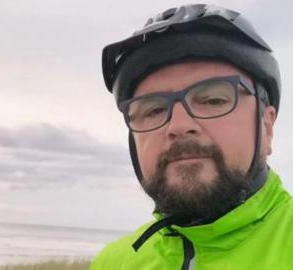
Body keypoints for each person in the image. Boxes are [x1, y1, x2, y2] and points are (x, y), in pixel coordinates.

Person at [90, 4, 293, 269]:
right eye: (153, 110)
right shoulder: (115, 262)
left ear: (266, 127)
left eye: (213, 100)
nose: (178, 125)